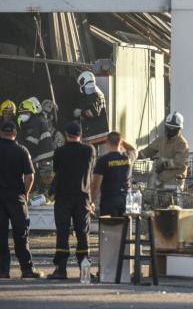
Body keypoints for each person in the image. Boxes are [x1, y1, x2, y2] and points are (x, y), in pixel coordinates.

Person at [49, 120, 95, 280]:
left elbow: (57, 171)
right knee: (83, 233)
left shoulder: (59, 152)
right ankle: (85, 270)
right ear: (80, 134)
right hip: (82, 198)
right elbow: (91, 172)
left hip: (63, 197)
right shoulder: (89, 151)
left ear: (66, 135)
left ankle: (61, 269)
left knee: (62, 232)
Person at [0, 119, 42, 278]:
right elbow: (30, 177)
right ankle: (27, 269)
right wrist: (25, 194)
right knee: (21, 234)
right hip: (16, 197)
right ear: (15, 134)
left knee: (0, 235)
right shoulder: (22, 150)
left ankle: (2, 271)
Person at [140, 112, 189, 196]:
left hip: (174, 181)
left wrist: (163, 164)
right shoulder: (161, 139)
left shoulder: (182, 144)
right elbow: (147, 151)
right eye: (169, 127)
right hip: (160, 180)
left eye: (174, 128)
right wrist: (133, 155)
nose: (171, 130)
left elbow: (179, 162)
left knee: (170, 205)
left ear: (179, 129)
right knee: (150, 196)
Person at [91, 131, 138, 217]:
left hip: (109, 201)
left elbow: (96, 185)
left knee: (109, 229)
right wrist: (121, 141)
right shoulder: (128, 157)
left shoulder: (103, 161)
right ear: (120, 142)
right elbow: (134, 150)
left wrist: (92, 202)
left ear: (107, 143)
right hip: (126, 200)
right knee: (125, 228)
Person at [17, 99, 53, 165]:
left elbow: (31, 143)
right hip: (43, 159)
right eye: (22, 113)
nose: (23, 115)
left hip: (42, 161)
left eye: (26, 112)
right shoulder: (32, 122)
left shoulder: (34, 123)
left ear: (31, 112)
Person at [77, 71, 108, 138]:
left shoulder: (91, 94)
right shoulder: (98, 92)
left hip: (93, 134)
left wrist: (81, 112)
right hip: (99, 132)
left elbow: (94, 112)